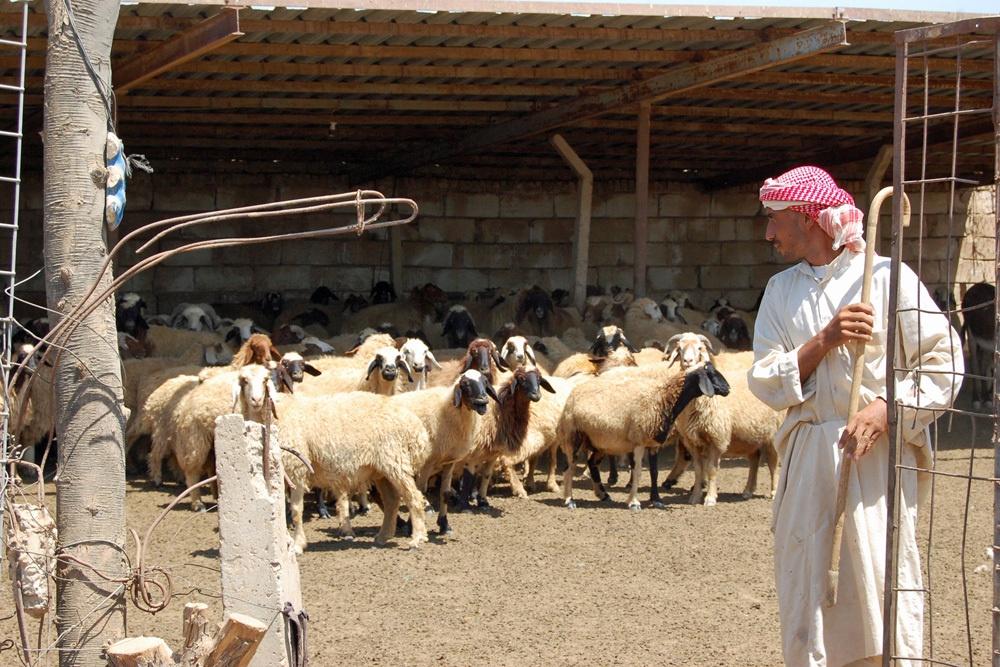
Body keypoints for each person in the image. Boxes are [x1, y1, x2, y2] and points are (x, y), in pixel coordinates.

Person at [747, 166, 964, 667]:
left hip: (874, 462)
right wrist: (825, 340)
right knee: (808, 586)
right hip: (807, 465)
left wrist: (888, 408)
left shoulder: (887, 279)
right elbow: (763, 380)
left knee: (877, 584)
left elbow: (944, 360)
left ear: (809, 217)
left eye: (776, 220)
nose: (769, 233)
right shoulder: (781, 292)